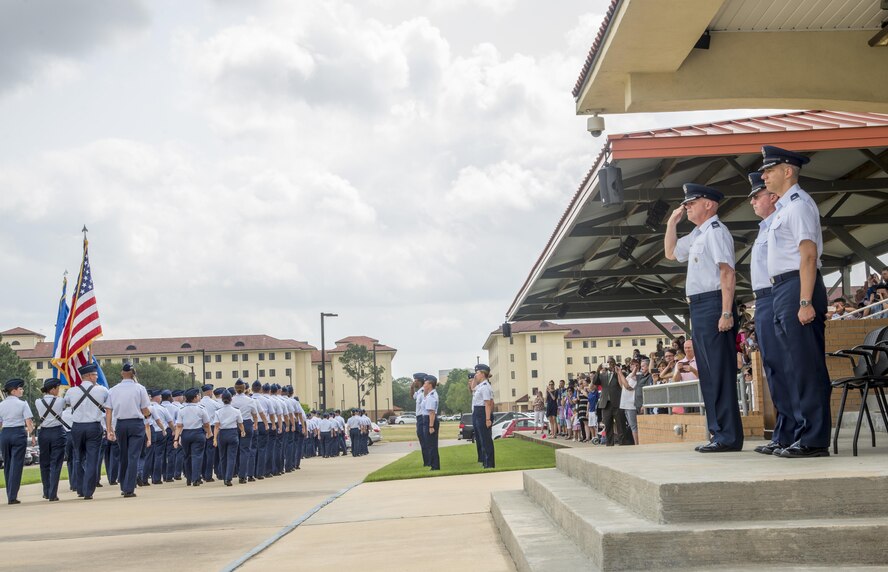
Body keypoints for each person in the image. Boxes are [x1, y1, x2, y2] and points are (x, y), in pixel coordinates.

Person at [760, 145, 830, 458]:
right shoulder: (785, 209)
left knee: (806, 366)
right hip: (782, 289)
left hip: (798, 286)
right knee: (792, 367)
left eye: (769, 169)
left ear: (788, 171)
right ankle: (802, 434)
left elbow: (808, 254)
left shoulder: (800, 205)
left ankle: (814, 439)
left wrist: (804, 301)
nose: (764, 175)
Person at [665, 183, 744, 453]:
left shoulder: (716, 232)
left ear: (708, 204)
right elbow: (671, 252)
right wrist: (671, 223)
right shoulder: (699, 234)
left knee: (719, 373)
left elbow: (727, 272)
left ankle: (729, 436)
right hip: (699, 306)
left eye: (692, 202)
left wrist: (725, 311)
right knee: (709, 374)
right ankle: (718, 433)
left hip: (713, 303)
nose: (687, 207)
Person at [745, 171, 797, 455]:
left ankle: (794, 431)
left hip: (776, 295)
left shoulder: (779, 221)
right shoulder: (765, 228)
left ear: (773, 197)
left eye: (757, 195)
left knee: (786, 368)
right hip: (763, 300)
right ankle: (784, 431)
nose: (753, 201)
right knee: (774, 370)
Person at [64, 363, 110, 499]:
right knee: (92, 459)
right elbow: (108, 404)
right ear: (89, 376)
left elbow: (67, 402)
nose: (97, 377)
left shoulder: (71, 391)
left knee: (78, 457)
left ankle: (80, 488)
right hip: (93, 427)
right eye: (95, 375)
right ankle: (88, 490)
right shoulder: (102, 390)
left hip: (77, 427)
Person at [0, 378, 35, 504]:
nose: (22, 390)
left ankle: (10, 492)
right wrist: (32, 436)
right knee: (17, 465)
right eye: (20, 389)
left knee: (8, 464)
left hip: (5, 434)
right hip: (18, 433)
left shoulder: (1, 405)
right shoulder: (23, 404)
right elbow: (28, 422)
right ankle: (12, 495)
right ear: (13, 391)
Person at [35, 377, 68, 502]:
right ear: (53, 389)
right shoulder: (60, 401)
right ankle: (53, 493)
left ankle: (46, 491)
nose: (58, 390)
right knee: (56, 464)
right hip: (57, 432)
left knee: (44, 464)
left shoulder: (38, 401)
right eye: (58, 388)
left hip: (43, 433)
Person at [173, 388, 211, 486]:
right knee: (197, 456)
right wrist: (209, 433)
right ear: (194, 398)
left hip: (185, 434)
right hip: (198, 433)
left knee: (187, 456)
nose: (199, 397)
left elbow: (179, 426)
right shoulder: (201, 409)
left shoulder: (182, 410)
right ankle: (196, 478)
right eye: (198, 395)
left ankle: (189, 478)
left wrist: (176, 439)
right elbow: (206, 424)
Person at [213, 390, 245, 486]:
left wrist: (215, 438)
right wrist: (243, 431)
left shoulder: (218, 412)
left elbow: (217, 426)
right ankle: (228, 478)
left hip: (222, 434)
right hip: (232, 433)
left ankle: (224, 477)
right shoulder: (236, 410)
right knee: (231, 457)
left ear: (222, 400)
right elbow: (240, 423)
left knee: (223, 457)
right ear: (231, 399)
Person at [231, 380, 258, 483]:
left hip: (234, 424)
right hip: (246, 423)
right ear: (245, 389)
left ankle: (232, 473)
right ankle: (244, 475)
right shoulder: (250, 400)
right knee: (245, 450)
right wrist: (255, 423)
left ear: (235, 388)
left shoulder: (231, 399)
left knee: (234, 451)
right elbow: (255, 415)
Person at [595, 358, 624, 446]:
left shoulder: (618, 373)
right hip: (606, 404)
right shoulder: (603, 375)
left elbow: (621, 383)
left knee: (620, 425)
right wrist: (598, 369)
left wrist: (617, 372)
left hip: (617, 402)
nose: (609, 364)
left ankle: (622, 443)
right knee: (608, 425)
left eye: (611, 362)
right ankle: (610, 444)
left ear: (615, 364)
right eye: (607, 362)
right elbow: (595, 381)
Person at [471, 364, 495, 468]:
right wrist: (475, 379)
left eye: (477, 373)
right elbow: (472, 388)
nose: (476, 375)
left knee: (486, 440)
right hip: (477, 412)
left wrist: (488, 419)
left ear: (483, 374)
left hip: (482, 413)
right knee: (481, 439)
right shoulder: (480, 386)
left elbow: (487, 404)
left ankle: (489, 463)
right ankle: (485, 462)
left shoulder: (485, 387)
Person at [198, 384, 219, 481]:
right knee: (210, 452)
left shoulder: (199, 403)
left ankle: (201, 473)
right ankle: (208, 475)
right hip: (211, 427)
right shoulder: (214, 403)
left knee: (201, 452)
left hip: (200, 428)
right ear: (210, 392)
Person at [423, 375, 441, 470]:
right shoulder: (430, 395)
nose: (424, 385)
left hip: (430, 421)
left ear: (430, 384)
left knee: (431, 445)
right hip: (428, 420)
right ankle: (434, 464)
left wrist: (430, 426)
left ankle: (435, 466)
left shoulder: (431, 397)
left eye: (425, 383)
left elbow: (431, 412)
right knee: (430, 444)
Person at [620, 361, 639, 445]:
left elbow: (628, 386)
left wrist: (620, 373)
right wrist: (618, 374)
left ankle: (637, 443)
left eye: (633, 364)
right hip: (626, 404)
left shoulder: (638, 375)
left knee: (634, 426)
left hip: (632, 404)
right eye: (630, 364)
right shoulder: (629, 375)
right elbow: (621, 384)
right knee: (632, 426)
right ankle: (635, 443)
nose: (631, 365)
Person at [412, 373, 429, 467]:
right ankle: (426, 461)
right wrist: (411, 388)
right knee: (422, 440)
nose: (414, 382)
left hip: (422, 417)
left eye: (416, 380)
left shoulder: (424, 392)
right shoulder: (419, 391)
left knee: (424, 440)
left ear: (420, 381)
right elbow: (412, 396)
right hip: (419, 417)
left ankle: (428, 461)